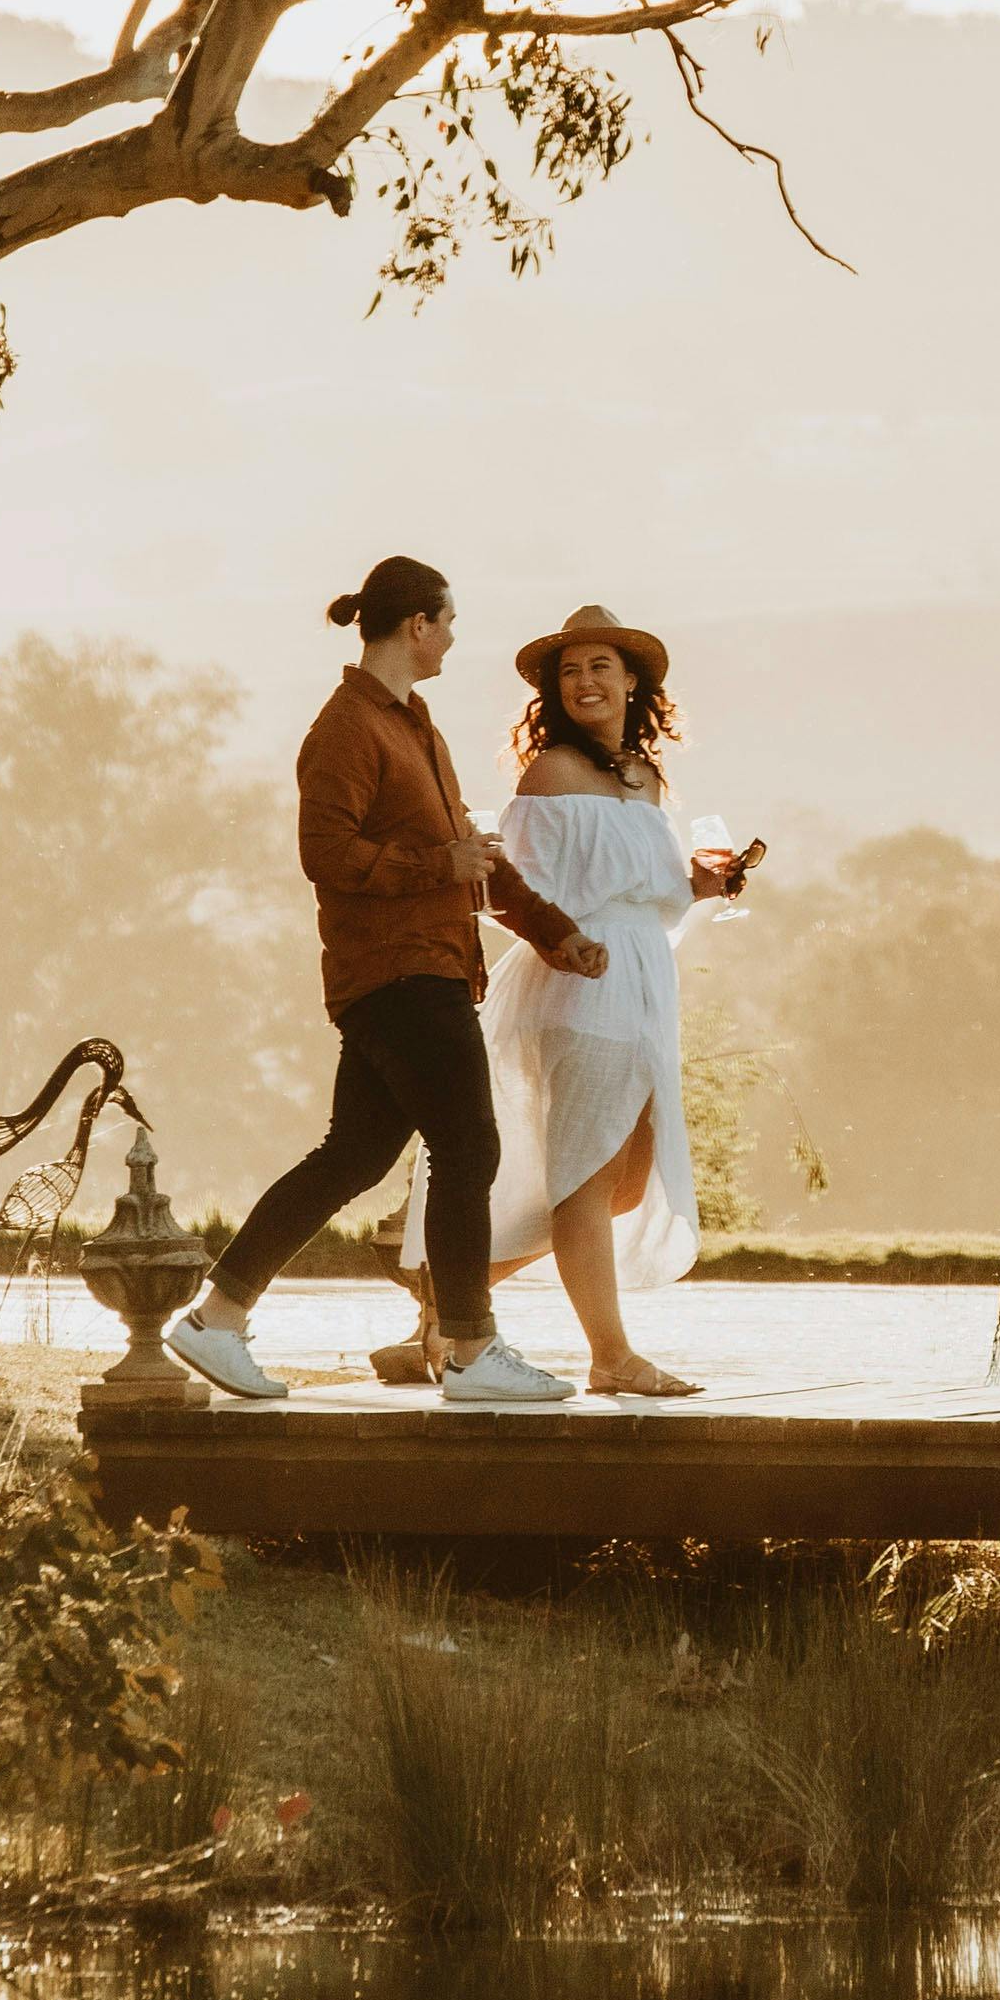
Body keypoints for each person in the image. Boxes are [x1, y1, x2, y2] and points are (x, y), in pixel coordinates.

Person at [164, 556, 603, 1409]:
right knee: (468, 1145)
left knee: (354, 1155)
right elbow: (324, 856)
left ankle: (215, 1319)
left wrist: (555, 932)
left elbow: (470, 857)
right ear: (418, 625)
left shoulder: (415, 727)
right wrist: (436, 862)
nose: (453, 636)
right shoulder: (345, 730)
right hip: (397, 971)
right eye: (449, 620)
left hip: (425, 965)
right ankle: (472, 1349)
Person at [384, 606, 756, 1397]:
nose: (584, 681)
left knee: (622, 1181)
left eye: (599, 666)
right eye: (569, 670)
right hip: (582, 987)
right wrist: (568, 943)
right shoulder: (548, 773)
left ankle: (446, 1303)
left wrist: (698, 884)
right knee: (586, 1179)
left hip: (643, 985)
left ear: (632, 680)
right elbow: (512, 892)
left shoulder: (645, 778)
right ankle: (611, 1355)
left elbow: (644, 895)